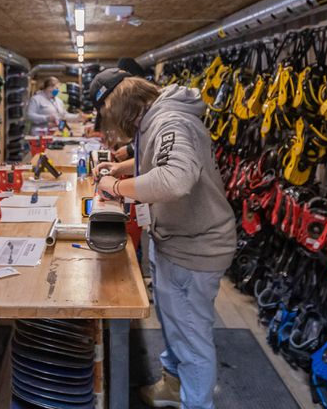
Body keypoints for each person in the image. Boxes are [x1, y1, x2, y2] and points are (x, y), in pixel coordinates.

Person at [89, 69, 236, 409]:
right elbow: (155, 160)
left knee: (192, 340)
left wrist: (114, 187)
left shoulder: (170, 122)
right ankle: (173, 386)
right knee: (174, 326)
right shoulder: (156, 119)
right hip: (174, 239)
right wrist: (122, 169)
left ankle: (196, 404)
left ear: (120, 105)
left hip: (195, 247)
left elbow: (173, 180)